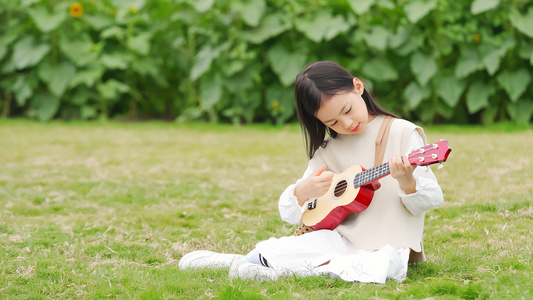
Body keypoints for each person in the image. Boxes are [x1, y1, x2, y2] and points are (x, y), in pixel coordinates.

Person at [179, 61, 444, 283]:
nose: (347, 123)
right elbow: (292, 213)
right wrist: (302, 191)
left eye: (348, 110)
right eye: (332, 122)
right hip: (341, 239)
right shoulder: (328, 151)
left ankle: (269, 274)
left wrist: (407, 180)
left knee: (371, 266)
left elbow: (431, 198)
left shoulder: (401, 133)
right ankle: (240, 262)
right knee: (285, 248)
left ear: (358, 86)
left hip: (387, 245)